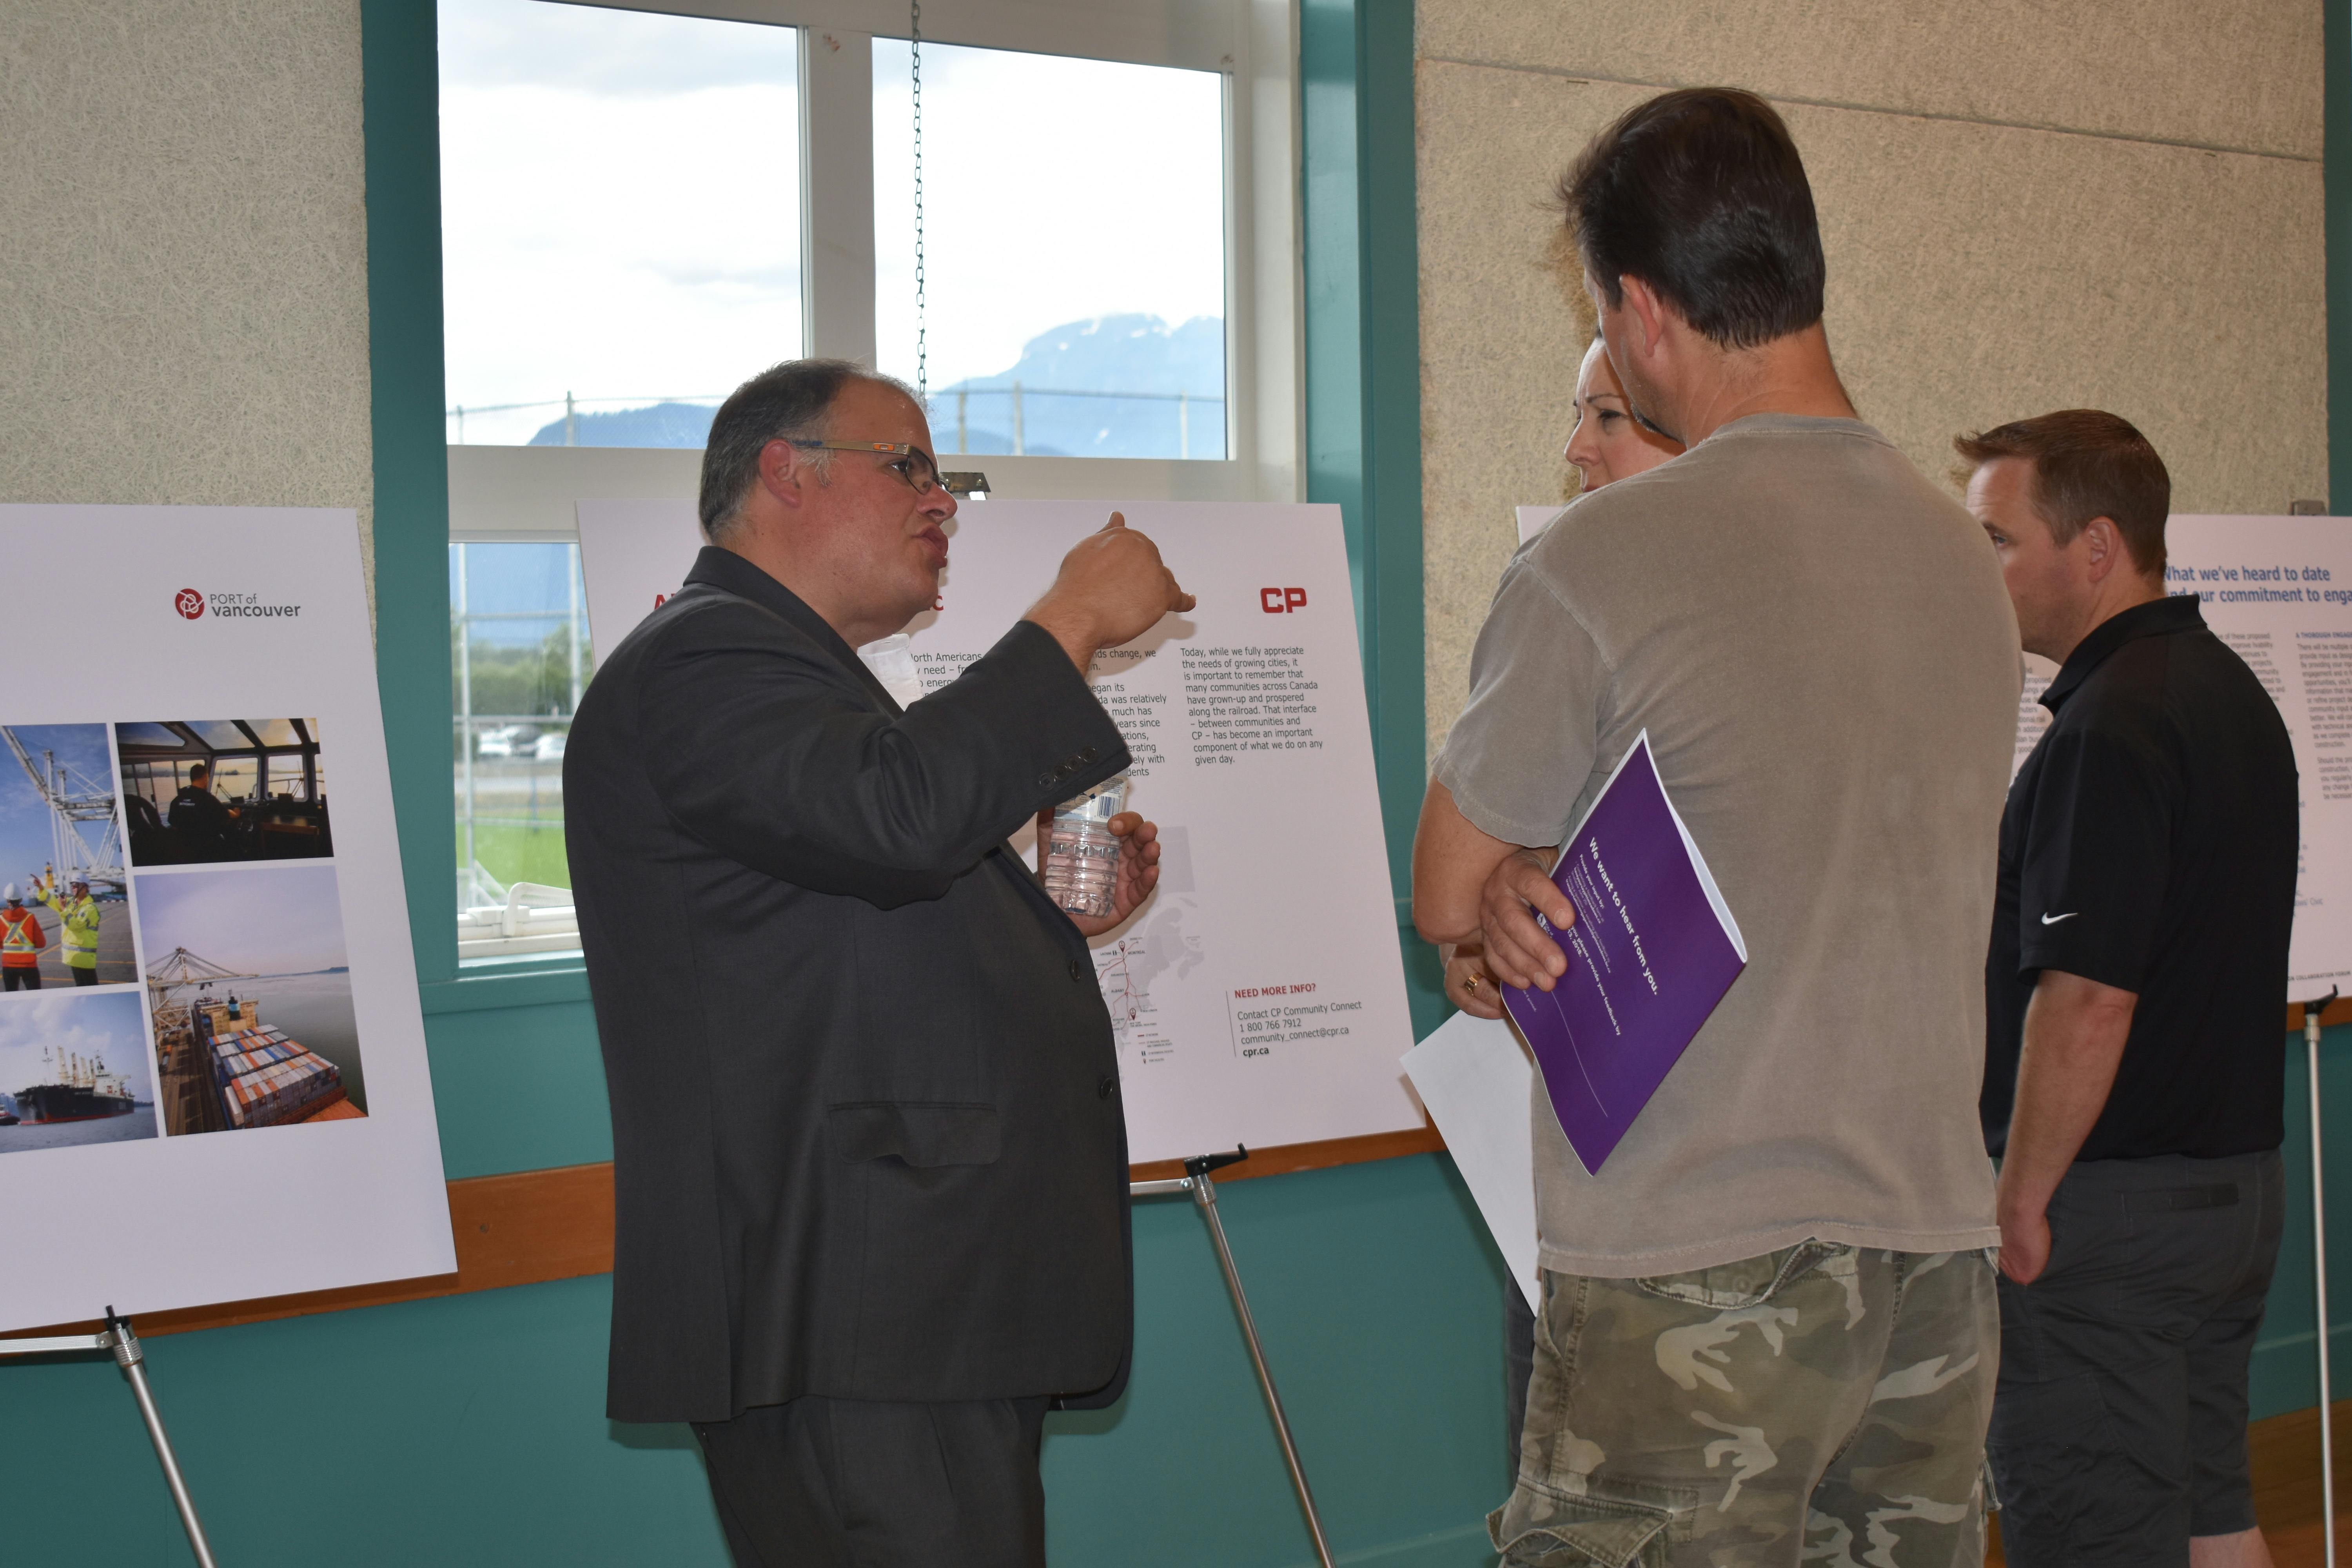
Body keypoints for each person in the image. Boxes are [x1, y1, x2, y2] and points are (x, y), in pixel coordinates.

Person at [1412, 88, 2019, 1565]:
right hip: (1933, 1262)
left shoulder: (1600, 558)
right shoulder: (1963, 561)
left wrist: (1503, 896)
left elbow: (1445, 885)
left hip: (1695, 1267)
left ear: (1639, 311)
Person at [564, 357, 1193, 1568]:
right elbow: (898, 816)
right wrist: (1066, 622)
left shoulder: (788, 672)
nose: (940, 500)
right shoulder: (706, 658)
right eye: (905, 465)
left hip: (901, 1315)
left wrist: (1049, 932)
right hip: (848, 1315)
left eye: (941, 473)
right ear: (783, 474)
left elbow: (842, 910)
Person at [1958, 411, 2296, 1568]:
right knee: (2211, 1516)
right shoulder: (2223, 694)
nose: (1980, 569)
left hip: (2106, 1223)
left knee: (2093, 1535)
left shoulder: (2109, 729)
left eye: (1996, 538)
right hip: (2231, 1199)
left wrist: (2017, 1199)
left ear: (2092, 547)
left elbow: (2087, 998)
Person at [1448, 327, 1686, 1477]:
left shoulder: (1584, 575)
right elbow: (1477, 879)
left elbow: (1437, 874)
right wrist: (1497, 910)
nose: (1572, 449)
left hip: (1669, 1187)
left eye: (1603, 416)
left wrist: (1468, 887)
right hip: (1579, 1130)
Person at [34, 873, 102, 986]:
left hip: (84, 959)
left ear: (85, 888)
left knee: (91, 988)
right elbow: (53, 901)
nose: (73, 887)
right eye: (72, 885)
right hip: (73, 957)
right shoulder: (70, 903)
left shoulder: (90, 908)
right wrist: (41, 887)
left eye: (76, 885)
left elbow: (75, 926)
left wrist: (63, 908)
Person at [168, 762, 236, 857]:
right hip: (207, 849)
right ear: (205, 778)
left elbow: (172, 821)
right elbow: (227, 815)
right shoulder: (208, 799)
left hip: (185, 848)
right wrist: (236, 813)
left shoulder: (178, 799)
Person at [0, 884, 43, 992]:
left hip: (8, 966)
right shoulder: (30, 918)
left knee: (11, 998)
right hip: (29, 965)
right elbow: (42, 943)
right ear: (20, 899)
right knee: (36, 997)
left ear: (7, 900)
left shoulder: (1, 919)